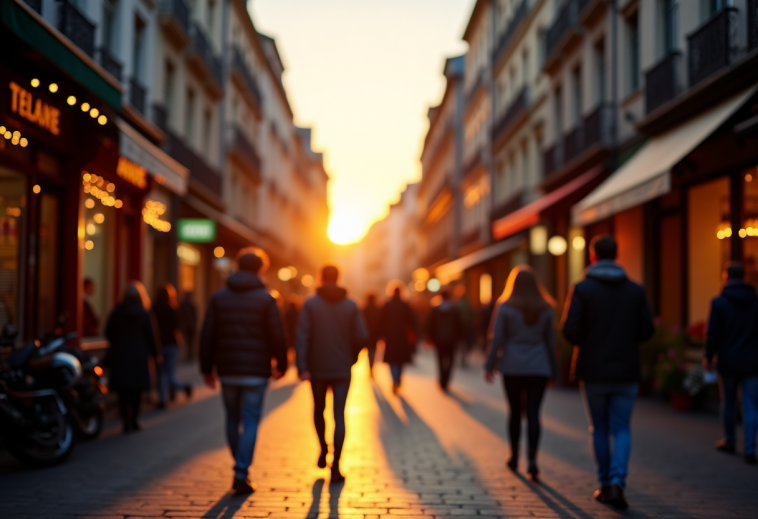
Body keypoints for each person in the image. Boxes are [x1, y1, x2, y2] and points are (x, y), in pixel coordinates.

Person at [562, 235, 654, 510]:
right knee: (622, 427)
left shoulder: (582, 288)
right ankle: (617, 483)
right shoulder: (635, 290)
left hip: (593, 369)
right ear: (617, 256)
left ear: (592, 256)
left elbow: (569, 330)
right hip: (626, 368)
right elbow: (647, 329)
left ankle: (603, 483)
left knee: (599, 427)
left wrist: (590, 341)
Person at [200, 247, 288, 495]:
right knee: (250, 420)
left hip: (228, 369)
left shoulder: (219, 297)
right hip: (256, 371)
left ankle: (238, 467)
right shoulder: (267, 298)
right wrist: (281, 364)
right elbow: (277, 335)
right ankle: (241, 472)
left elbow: (208, 335)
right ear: (261, 269)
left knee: (231, 418)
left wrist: (207, 368)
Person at [296, 265, 368, 483]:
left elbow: (302, 336)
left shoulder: (310, 304)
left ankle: (322, 449)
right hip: (341, 368)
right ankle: (336, 466)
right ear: (338, 277)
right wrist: (351, 357)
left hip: (317, 367)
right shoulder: (351, 305)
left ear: (320, 278)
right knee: (339, 415)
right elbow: (363, 336)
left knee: (319, 410)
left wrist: (302, 366)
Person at [484, 266, 557, 481]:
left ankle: (514, 456)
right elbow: (550, 341)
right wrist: (554, 370)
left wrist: (489, 365)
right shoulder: (545, 308)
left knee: (515, 412)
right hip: (539, 366)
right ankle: (533, 460)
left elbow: (496, 338)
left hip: (512, 366)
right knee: (534, 413)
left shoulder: (505, 307)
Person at [704, 262, 758, 465]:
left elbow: (713, 333)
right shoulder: (755, 302)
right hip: (752, 361)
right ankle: (750, 446)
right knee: (750, 404)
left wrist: (708, 357)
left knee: (728, 402)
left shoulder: (719, 302)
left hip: (728, 360)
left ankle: (730, 440)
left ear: (725, 276)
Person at [104, 281, 157, 434]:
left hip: (120, 354)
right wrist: (155, 354)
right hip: (139, 356)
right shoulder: (144, 313)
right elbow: (150, 336)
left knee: (123, 390)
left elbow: (108, 332)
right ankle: (134, 420)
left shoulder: (116, 312)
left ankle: (125, 422)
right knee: (137, 390)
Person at [153, 283, 192, 408]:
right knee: (169, 374)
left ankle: (163, 399)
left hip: (159, 344)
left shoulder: (154, 309)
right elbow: (180, 325)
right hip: (172, 344)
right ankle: (182, 388)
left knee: (161, 374)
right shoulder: (173, 308)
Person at [380, 286, 416, 392]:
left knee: (392, 360)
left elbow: (381, 321)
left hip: (390, 335)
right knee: (400, 359)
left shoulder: (387, 305)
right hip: (402, 335)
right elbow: (411, 320)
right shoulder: (405, 305)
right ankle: (398, 378)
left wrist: (382, 335)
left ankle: (394, 379)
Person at [426, 290, 462, 391]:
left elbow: (430, 325)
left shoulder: (435, 309)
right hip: (451, 339)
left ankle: (442, 379)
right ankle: (446, 379)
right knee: (450, 360)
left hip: (439, 339)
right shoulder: (454, 309)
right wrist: (459, 338)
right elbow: (459, 325)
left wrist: (429, 337)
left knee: (440, 360)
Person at [454, 285, 475, 367]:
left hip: (459, 327)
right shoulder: (468, 304)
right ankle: (464, 357)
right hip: (467, 326)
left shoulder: (457, 304)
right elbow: (472, 314)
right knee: (465, 342)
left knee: (459, 342)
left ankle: (459, 356)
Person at [363, 293, 382, 375]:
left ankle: (370, 366)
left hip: (367, 333)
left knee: (368, 351)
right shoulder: (377, 309)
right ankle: (371, 366)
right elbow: (381, 322)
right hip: (375, 333)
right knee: (373, 351)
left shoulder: (365, 309)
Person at [179, 292, 198, 361]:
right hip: (191, 326)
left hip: (186, 326)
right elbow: (195, 316)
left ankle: (188, 355)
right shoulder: (192, 304)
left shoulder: (182, 304)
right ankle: (190, 355)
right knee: (190, 342)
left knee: (187, 341)